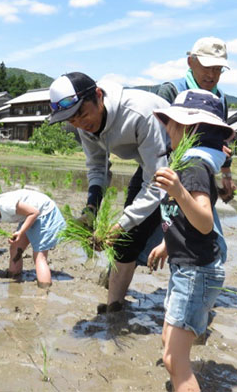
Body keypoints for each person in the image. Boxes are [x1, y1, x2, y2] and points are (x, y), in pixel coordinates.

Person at [48, 71, 169, 312]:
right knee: (126, 241)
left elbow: (156, 182)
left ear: (99, 96)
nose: (80, 124)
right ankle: (114, 308)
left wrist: (122, 224)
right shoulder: (84, 126)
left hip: (179, 161)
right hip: (150, 166)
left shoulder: (139, 114)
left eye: (82, 114)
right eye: (72, 121)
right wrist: (90, 209)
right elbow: (97, 168)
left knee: (184, 241)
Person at [148, 90, 233, 392]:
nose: (166, 129)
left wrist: (179, 192)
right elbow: (183, 222)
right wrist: (165, 245)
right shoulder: (185, 167)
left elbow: (205, 222)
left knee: (173, 360)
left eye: (170, 124)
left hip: (196, 273)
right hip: (187, 269)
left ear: (188, 129)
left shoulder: (194, 169)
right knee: (167, 344)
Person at [157, 37, 236, 202]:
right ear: (190, 62)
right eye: (206, 67)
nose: (211, 75)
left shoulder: (219, 99)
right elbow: (157, 142)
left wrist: (226, 173)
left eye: (218, 69)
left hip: (199, 177)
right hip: (165, 176)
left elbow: (222, 141)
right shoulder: (171, 91)